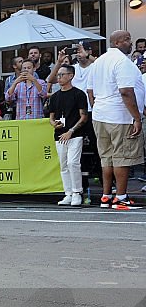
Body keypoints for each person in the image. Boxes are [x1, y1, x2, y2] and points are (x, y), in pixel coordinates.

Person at [86, 30, 145, 210]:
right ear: (118, 42)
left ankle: (106, 196)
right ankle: (120, 198)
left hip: (100, 115)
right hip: (120, 115)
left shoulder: (98, 62)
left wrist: (98, 108)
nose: (131, 43)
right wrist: (136, 117)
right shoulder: (122, 61)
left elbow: (90, 91)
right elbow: (126, 91)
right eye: (128, 40)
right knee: (122, 157)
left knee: (107, 157)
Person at [48, 64, 90, 207]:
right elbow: (51, 117)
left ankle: (77, 192)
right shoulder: (54, 97)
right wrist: (54, 124)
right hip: (59, 135)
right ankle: (68, 193)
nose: (59, 78)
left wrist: (71, 131)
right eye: (58, 75)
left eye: (62, 75)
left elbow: (83, 117)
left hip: (75, 134)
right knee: (63, 165)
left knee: (73, 162)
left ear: (71, 76)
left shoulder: (79, 94)